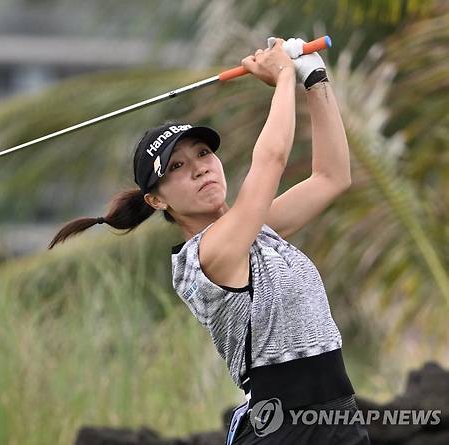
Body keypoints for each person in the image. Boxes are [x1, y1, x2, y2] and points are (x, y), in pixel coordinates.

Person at [48, 38, 370, 444]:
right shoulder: (206, 257)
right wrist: (284, 75)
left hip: (337, 420)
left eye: (203, 153)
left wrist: (315, 79)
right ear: (156, 199)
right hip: (284, 430)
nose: (200, 169)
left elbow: (332, 177)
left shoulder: (256, 229)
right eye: (178, 167)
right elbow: (270, 161)